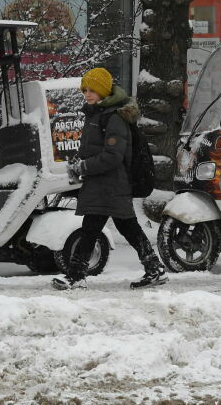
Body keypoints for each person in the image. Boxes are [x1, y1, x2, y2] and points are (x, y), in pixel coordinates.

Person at [51, 67, 168, 290]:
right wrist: (78, 163)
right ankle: (154, 269)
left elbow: (113, 156)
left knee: (94, 228)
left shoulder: (114, 117)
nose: (87, 94)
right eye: (84, 90)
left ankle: (76, 276)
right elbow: (93, 149)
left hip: (112, 184)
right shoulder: (97, 115)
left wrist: (84, 166)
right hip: (103, 184)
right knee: (121, 228)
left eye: (92, 90)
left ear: (104, 91)